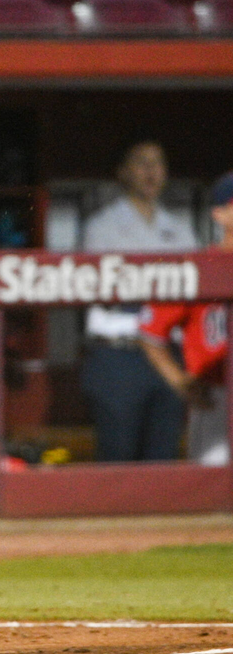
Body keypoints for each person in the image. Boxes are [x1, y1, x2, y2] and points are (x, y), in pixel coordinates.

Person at [80, 140, 199, 462]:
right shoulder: (102, 226)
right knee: (117, 459)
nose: (151, 171)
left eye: (158, 163)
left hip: (167, 354)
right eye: (141, 163)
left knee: (162, 457)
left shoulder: (179, 229)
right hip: (120, 354)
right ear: (123, 172)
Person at [138, 171, 233, 467]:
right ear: (219, 214)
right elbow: (150, 331)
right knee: (211, 494)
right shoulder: (197, 267)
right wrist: (180, 382)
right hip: (217, 396)